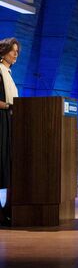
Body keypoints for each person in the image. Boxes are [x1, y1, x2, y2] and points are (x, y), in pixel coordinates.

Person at [0, 37, 20, 223]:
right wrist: (7, 106)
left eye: (17, 51)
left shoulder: (7, 72)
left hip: (7, 120)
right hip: (1, 120)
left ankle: (6, 208)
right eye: (13, 50)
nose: (16, 54)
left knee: (6, 164)